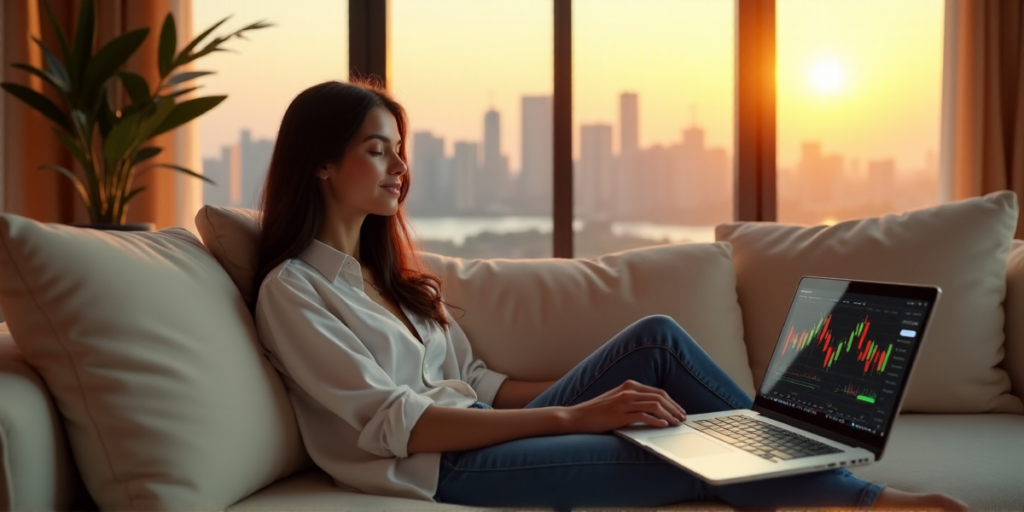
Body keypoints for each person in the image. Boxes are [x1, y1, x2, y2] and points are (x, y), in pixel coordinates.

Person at [252, 80, 967, 511]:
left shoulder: (391, 282)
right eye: (378, 149)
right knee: (686, 457)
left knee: (655, 340)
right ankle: (858, 501)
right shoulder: (295, 291)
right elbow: (403, 424)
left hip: (476, 426)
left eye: (400, 150)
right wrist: (575, 415)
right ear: (319, 161)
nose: (400, 168)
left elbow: (473, 383)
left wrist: (599, 398)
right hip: (439, 468)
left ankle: (801, 461)